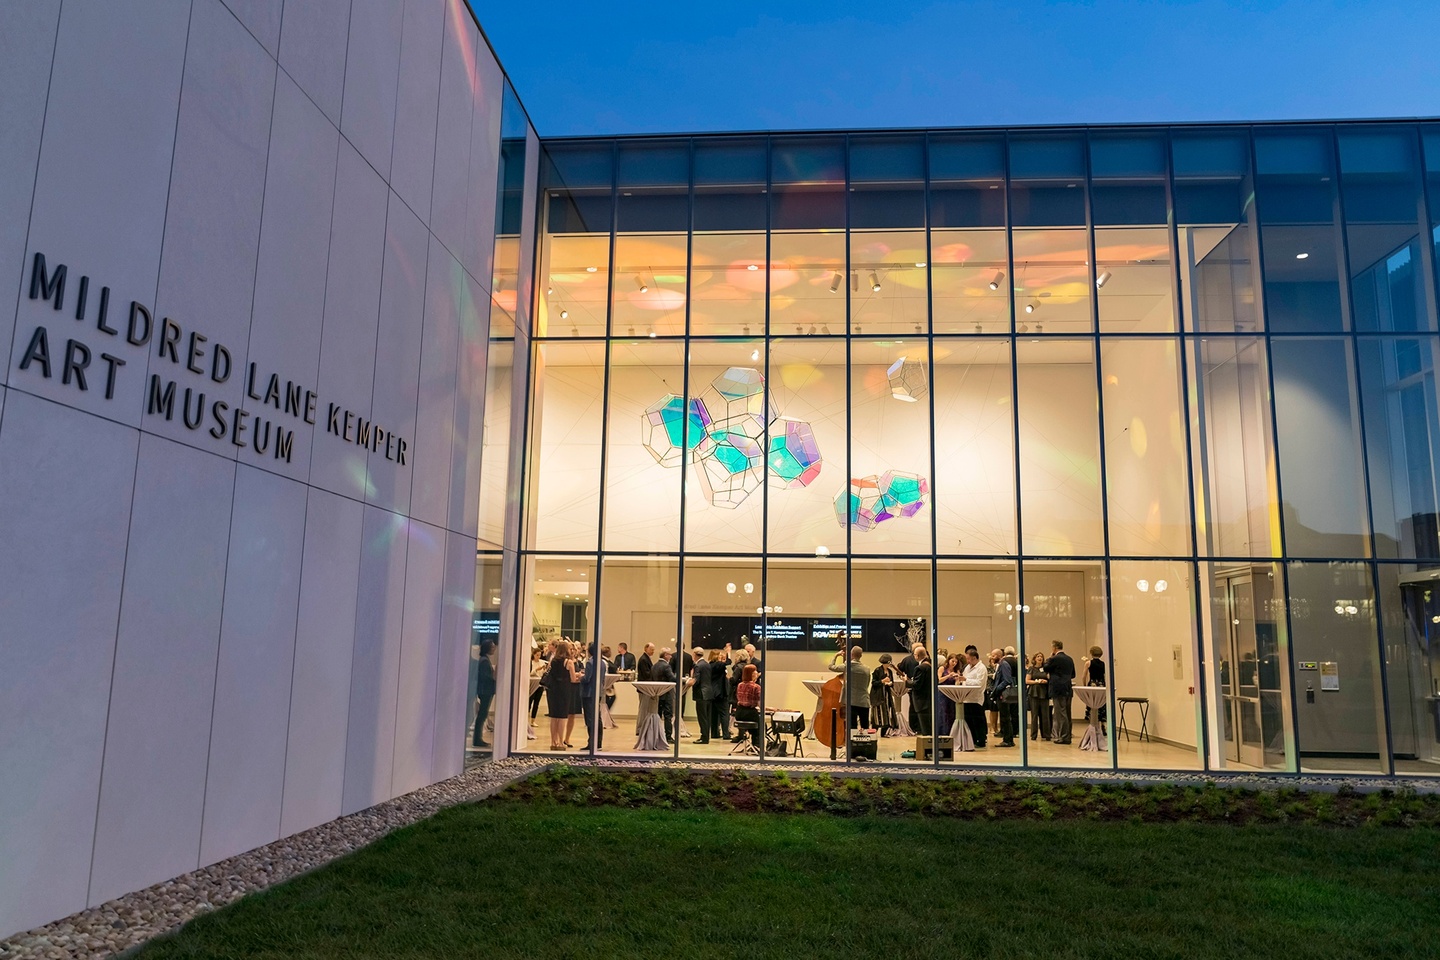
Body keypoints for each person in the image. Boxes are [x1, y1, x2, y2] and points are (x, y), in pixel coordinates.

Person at [545, 641, 580, 750]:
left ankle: (553, 741)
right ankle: (560, 742)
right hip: (564, 690)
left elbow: (548, 673)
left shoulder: (553, 661)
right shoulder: (568, 662)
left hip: (552, 690)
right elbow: (573, 679)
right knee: (562, 717)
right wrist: (579, 676)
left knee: (554, 717)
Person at [828, 645, 871, 729]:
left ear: (851, 654)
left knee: (852, 727)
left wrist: (836, 655)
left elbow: (831, 666)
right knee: (865, 726)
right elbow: (867, 684)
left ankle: (852, 742)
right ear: (861, 655)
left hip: (851, 701)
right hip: (864, 701)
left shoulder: (847, 666)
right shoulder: (867, 669)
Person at [1044, 640, 1076, 744]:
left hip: (1058, 688)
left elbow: (1045, 667)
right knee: (1067, 712)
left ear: (1054, 648)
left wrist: (1049, 658)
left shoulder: (1054, 658)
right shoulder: (1069, 659)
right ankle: (1068, 734)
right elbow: (1073, 674)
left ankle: (1063, 737)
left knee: (1060, 713)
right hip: (1068, 687)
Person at [581, 641, 607, 751]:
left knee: (590, 719)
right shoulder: (602, 662)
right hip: (598, 692)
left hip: (589, 693)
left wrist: (580, 677)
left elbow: (587, 679)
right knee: (598, 718)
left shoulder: (590, 663)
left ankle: (591, 742)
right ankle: (598, 742)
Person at [961, 649, 989, 748]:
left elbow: (980, 683)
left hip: (976, 699)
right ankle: (971, 739)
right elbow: (964, 679)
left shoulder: (981, 668)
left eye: (968, 659)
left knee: (978, 721)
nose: (967, 661)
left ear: (974, 658)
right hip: (967, 698)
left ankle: (981, 740)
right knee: (969, 721)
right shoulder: (967, 668)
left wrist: (966, 680)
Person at [989, 647, 1016, 747]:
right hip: (1000, 693)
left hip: (1002, 694)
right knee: (1004, 717)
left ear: (999, 655)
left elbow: (1007, 680)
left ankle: (1008, 740)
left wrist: (997, 689)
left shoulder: (1003, 665)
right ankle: (1007, 739)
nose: (992, 657)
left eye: (993, 655)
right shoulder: (1000, 665)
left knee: (1005, 717)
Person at [472, 641, 496, 748]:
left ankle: (478, 738)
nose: (494, 649)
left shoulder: (484, 660)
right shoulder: (484, 661)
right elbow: (486, 677)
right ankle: (477, 739)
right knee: (482, 714)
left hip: (485, 690)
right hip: (485, 690)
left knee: (482, 714)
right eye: (492, 647)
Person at [734, 664, 763, 750]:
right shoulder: (756, 687)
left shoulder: (740, 685)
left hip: (739, 713)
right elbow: (760, 703)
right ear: (752, 674)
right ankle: (756, 745)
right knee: (761, 726)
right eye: (755, 672)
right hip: (750, 713)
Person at [870, 653, 899, 736]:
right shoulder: (877, 670)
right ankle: (874, 731)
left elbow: (892, 682)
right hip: (878, 695)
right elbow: (874, 683)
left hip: (886, 695)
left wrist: (890, 683)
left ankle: (884, 732)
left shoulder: (889, 671)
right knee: (877, 713)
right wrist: (882, 682)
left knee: (887, 713)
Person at [1026, 652, 1051, 741]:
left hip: (1044, 693)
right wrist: (1037, 681)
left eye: (1041, 657)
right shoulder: (1031, 669)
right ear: (1034, 659)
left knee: (1045, 715)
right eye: (1038, 656)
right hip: (1034, 693)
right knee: (1034, 714)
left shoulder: (1045, 669)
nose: (1040, 658)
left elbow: (1049, 679)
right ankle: (1034, 734)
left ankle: (1046, 734)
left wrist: (1045, 681)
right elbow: (1027, 681)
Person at [653, 647, 677, 741]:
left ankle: (657, 734)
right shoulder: (666, 666)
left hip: (657, 693)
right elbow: (672, 678)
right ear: (665, 655)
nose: (671, 656)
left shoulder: (654, 665)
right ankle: (668, 736)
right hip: (667, 694)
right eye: (670, 655)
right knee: (668, 715)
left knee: (658, 714)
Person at [910, 649, 933, 736]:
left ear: (918, 656)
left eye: (915, 654)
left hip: (921, 701)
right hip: (929, 699)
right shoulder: (930, 666)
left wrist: (907, 681)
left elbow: (917, 685)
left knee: (925, 727)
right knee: (928, 725)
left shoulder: (920, 668)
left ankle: (927, 746)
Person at [1085, 645, 1108, 733]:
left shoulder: (1088, 663)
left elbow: (1084, 675)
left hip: (1093, 683)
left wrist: (1085, 685)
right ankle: (1103, 723)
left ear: (1091, 653)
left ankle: (1093, 723)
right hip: (1101, 684)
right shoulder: (1103, 664)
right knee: (1101, 703)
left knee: (1092, 703)